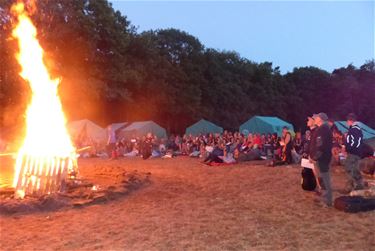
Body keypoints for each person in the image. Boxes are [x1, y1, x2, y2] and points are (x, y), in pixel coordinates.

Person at [310, 113, 333, 207]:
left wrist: (315, 157)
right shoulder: (325, 129)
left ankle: (327, 201)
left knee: (325, 178)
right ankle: (325, 198)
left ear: (320, 119)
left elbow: (320, 145)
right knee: (323, 178)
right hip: (323, 157)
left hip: (322, 157)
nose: (315, 119)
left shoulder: (322, 129)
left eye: (316, 118)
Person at [342, 113, 365, 193]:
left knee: (348, 168)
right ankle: (360, 185)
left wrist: (348, 149)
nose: (347, 123)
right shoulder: (359, 129)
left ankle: (349, 186)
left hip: (353, 152)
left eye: (347, 121)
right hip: (358, 153)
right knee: (355, 169)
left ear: (350, 121)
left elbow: (353, 142)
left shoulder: (352, 130)